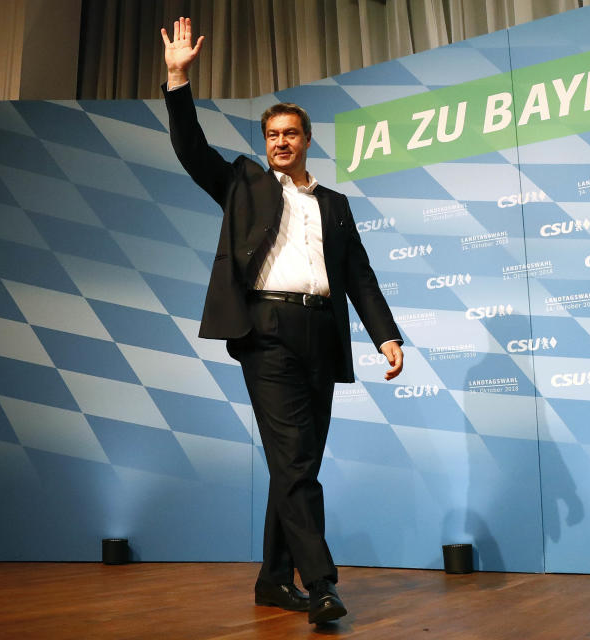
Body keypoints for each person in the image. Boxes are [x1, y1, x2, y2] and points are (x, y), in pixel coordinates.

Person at [160, 17, 404, 625]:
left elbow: (361, 279)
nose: (280, 142)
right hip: (265, 331)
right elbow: (192, 149)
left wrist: (387, 335)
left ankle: (272, 579)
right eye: (272, 134)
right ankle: (320, 583)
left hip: (322, 332)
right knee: (295, 463)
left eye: (290, 133)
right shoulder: (243, 182)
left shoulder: (336, 205)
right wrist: (176, 78)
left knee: (296, 465)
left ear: (306, 140)